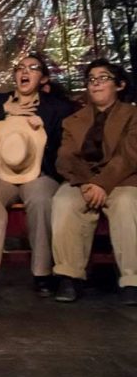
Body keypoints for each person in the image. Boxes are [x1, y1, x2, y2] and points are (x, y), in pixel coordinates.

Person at [0, 53, 75, 302]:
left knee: (41, 199)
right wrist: (3, 110)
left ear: (42, 78)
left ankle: (42, 273)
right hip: (0, 174)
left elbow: (76, 115)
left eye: (33, 68)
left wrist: (44, 121)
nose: (25, 71)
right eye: (20, 67)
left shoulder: (54, 106)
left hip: (38, 174)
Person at [51, 59, 137, 305]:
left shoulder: (133, 114)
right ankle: (69, 276)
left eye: (103, 78)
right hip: (83, 181)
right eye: (91, 79)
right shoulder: (73, 121)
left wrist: (103, 183)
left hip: (122, 179)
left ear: (119, 85)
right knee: (63, 201)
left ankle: (132, 280)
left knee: (126, 203)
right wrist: (88, 184)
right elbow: (66, 157)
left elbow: (130, 155)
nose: (96, 83)